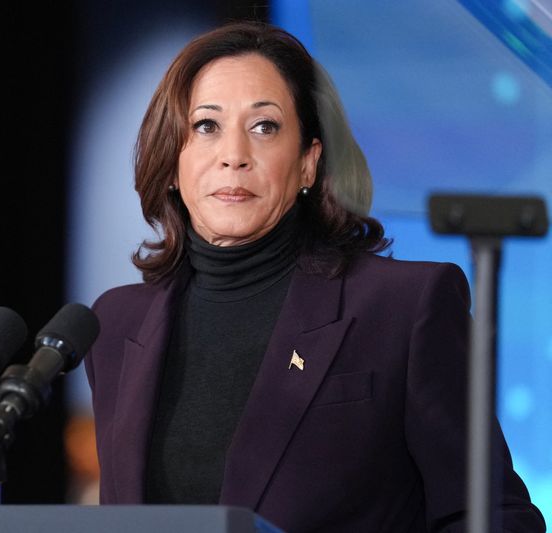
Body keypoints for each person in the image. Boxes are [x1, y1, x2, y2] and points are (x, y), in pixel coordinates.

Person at [83, 20, 545, 532]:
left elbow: (493, 516)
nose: (233, 156)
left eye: (265, 127)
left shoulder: (403, 306)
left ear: (309, 163)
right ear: (171, 160)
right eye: (205, 126)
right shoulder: (114, 324)